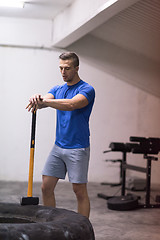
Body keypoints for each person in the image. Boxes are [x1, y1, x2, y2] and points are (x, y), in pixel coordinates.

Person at [26, 52, 95, 218]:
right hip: (58, 147)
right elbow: (44, 102)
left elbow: (71, 104)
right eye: (61, 68)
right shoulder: (58, 89)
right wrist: (38, 99)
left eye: (67, 68)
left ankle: (83, 228)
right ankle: (51, 224)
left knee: (79, 191)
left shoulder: (87, 89)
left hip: (78, 148)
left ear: (76, 68)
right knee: (46, 187)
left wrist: (45, 101)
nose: (63, 72)